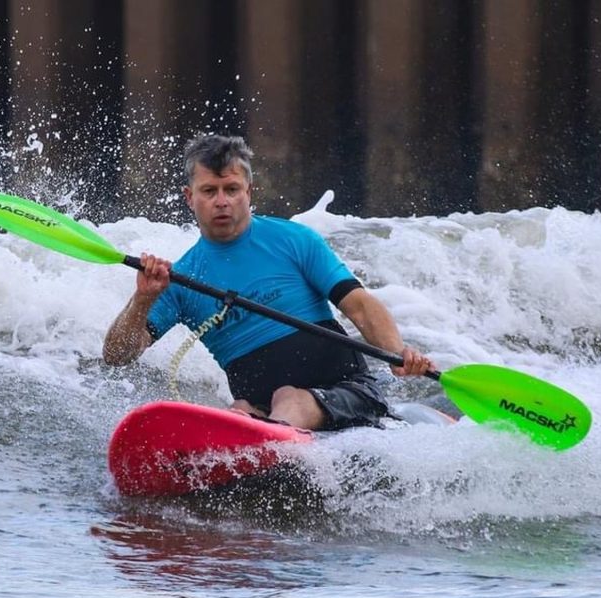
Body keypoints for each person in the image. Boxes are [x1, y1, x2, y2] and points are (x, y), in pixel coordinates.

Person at [102, 134, 434, 431]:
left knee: (287, 398)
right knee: (240, 409)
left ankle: (265, 432)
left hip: (347, 389)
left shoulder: (294, 240)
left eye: (231, 189)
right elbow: (116, 355)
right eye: (209, 191)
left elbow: (359, 306)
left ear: (249, 192)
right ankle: (251, 430)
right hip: (259, 411)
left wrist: (397, 353)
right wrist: (142, 300)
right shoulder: (180, 279)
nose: (222, 201)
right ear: (190, 197)